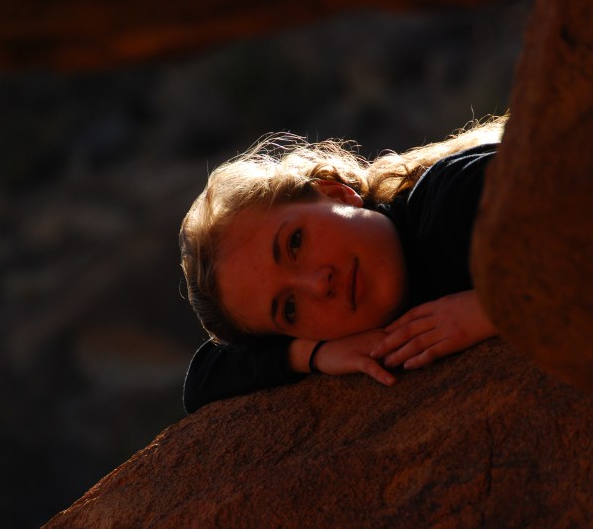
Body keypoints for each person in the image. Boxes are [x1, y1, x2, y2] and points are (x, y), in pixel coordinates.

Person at [180, 116, 506, 413]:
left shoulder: (456, 201)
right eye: (289, 308)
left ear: (336, 193)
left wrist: (492, 309)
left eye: (295, 243)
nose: (318, 284)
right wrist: (311, 354)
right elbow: (203, 379)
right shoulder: (338, 331)